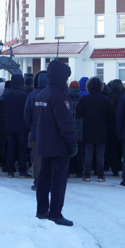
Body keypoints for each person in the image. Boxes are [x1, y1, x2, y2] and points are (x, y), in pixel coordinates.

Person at [33, 61, 77, 226]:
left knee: (44, 178)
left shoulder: (41, 94)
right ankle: (55, 213)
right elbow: (66, 124)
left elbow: (35, 119)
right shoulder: (60, 96)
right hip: (59, 146)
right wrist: (72, 143)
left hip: (44, 143)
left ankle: (41, 210)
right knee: (58, 180)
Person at [76, 77, 114, 182]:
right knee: (100, 154)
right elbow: (111, 115)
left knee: (88, 153)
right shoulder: (106, 100)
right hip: (102, 129)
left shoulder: (84, 99)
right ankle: (100, 174)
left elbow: (78, 113)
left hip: (88, 128)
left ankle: (87, 174)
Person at [3, 74, 31, 178]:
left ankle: (10, 170)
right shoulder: (24, 95)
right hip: (22, 126)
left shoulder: (6, 94)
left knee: (10, 148)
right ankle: (22, 170)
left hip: (9, 125)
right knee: (22, 149)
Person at [24, 70, 48, 189]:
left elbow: (26, 114)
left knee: (37, 158)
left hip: (36, 132)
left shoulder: (32, 95)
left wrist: (32, 127)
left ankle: (38, 182)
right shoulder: (53, 94)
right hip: (51, 133)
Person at [66, 80, 84, 178]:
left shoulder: (65, 98)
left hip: (68, 128)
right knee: (80, 150)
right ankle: (79, 171)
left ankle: (68, 170)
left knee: (68, 149)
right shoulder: (82, 99)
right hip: (80, 128)